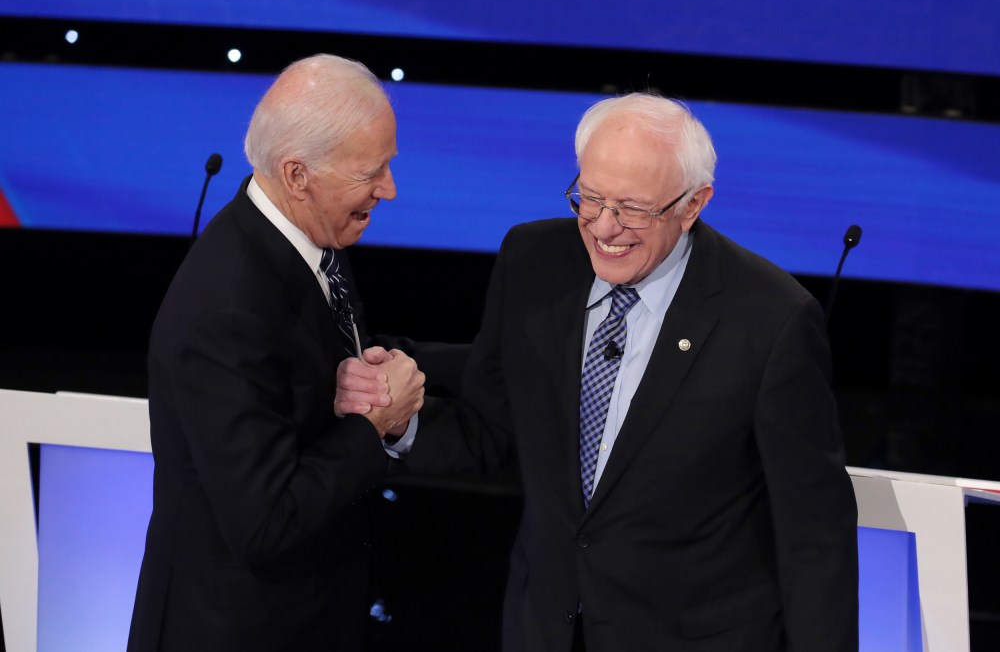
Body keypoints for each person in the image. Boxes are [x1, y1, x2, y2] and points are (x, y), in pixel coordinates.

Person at [340, 93, 859, 651]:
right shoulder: (533, 260)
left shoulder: (771, 319)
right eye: (589, 198)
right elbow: (492, 429)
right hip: (546, 629)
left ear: (693, 204)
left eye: (633, 208)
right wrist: (399, 420)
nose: (604, 228)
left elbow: (815, 533)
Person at [127, 54, 427, 652]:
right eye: (372, 171)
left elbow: (330, 365)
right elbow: (264, 524)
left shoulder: (306, 237)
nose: (389, 189)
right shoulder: (227, 310)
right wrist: (374, 426)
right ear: (297, 176)